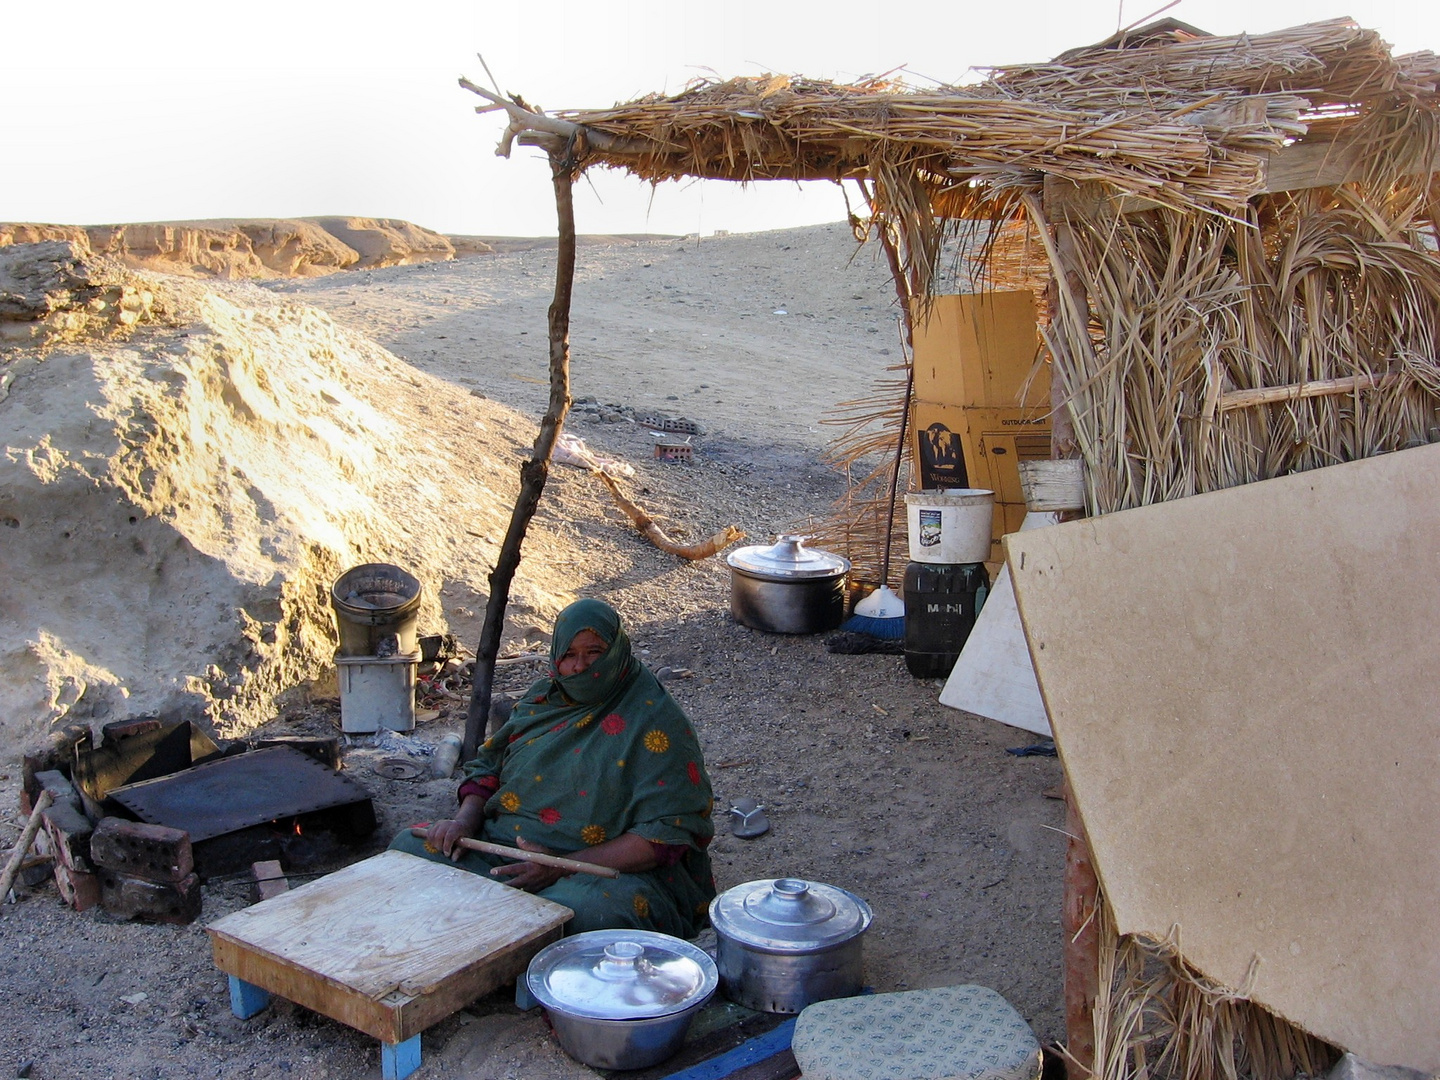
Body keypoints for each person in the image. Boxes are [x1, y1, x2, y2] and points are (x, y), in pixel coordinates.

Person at [390, 598, 717, 937]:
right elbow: (488, 768)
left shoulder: (655, 722)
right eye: (569, 655)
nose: (580, 667)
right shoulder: (543, 699)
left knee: (586, 917)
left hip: (598, 869)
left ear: (618, 650)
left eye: (594, 652)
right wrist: (461, 823)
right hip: (501, 848)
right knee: (409, 850)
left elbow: (667, 832)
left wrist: (561, 866)